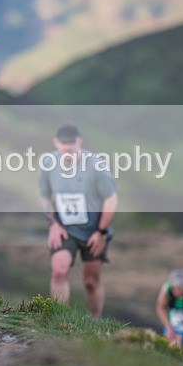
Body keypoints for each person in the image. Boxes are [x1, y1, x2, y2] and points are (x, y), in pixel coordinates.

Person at [38, 124, 118, 317]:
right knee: (59, 270)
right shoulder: (48, 163)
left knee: (91, 281)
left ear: (79, 142)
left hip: (94, 229)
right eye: (63, 145)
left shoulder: (95, 165)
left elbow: (111, 199)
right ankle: (59, 320)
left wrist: (101, 232)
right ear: (56, 143)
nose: (68, 149)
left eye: (71, 145)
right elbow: (44, 196)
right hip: (64, 227)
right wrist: (53, 225)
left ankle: (94, 323)